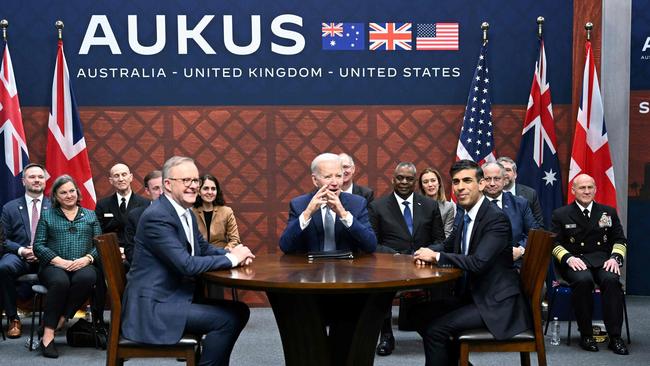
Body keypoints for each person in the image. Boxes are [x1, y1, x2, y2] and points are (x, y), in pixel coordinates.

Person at [122, 156, 255, 366]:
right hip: (153, 307)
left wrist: (234, 254)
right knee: (228, 319)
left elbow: (201, 248)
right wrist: (231, 259)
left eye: (196, 181)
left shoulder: (185, 212)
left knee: (239, 310)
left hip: (173, 296)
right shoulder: (157, 217)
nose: (193, 186)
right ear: (168, 184)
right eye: (186, 181)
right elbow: (187, 264)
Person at [412, 160, 531, 366]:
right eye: (456, 182)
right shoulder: (465, 215)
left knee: (435, 331)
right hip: (474, 295)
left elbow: (478, 263)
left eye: (467, 180)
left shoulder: (496, 219)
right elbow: (449, 245)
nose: (460, 187)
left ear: (482, 184)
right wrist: (428, 251)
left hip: (496, 303)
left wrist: (437, 258)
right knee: (415, 313)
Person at [369, 162, 445, 356]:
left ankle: (436, 333)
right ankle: (386, 336)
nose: (404, 182)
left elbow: (440, 240)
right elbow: (372, 244)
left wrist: (427, 252)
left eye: (409, 178)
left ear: (414, 181)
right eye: (400, 178)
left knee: (443, 283)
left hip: (424, 263)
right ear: (393, 179)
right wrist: (395, 256)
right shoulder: (377, 207)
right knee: (380, 289)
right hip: (391, 265)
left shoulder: (429, 205)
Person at [551, 174, 628, 355]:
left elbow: (619, 239)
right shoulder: (560, 214)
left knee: (611, 280)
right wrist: (568, 258)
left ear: (595, 189)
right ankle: (586, 334)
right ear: (573, 190)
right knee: (583, 281)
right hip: (575, 261)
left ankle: (615, 337)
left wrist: (615, 258)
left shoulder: (608, 212)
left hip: (603, 260)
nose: (586, 191)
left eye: (590, 188)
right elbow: (554, 243)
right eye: (582, 188)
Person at [32, 175, 103, 358]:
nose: (69, 195)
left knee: (88, 278)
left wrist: (87, 258)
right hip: (54, 265)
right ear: (56, 196)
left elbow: (99, 244)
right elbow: (38, 245)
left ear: (77, 192)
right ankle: (48, 335)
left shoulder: (90, 214)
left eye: (72, 191)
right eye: (63, 192)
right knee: (60, 282)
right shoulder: (48, 215)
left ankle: (60, 319)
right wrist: (58, 261)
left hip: (83, 264)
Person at [279, 153, 377, 254]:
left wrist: (344, 215)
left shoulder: (357, 203)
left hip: (346, 267)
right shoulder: (299, 204)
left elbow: (370, 246)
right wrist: (307, 213)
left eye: (339, 176)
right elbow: (286, 246)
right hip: (311, 267)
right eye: (328, 177)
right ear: (315, 180)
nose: (334, 182)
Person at [0, 163, 51, 338]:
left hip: (47, 257)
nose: (36, 180)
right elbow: (3, 240)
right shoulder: (10, 207)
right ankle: (13, 318)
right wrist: (22, 250)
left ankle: (51, 321)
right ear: (23, 181)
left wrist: (41, 251)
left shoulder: (56, 206)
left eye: (40, 177)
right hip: (19, 256)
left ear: (45, 181)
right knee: (3, 267)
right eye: (32, 177)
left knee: (61, 271)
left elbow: (61, 237)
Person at [482, 162, 539, 265]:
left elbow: (534, 232)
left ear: (504, 181)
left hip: (515, 264)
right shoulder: (472, 204)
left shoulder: (520, 203)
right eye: (487, 179)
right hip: (482, 264)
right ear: (481, 182)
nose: (492, 183)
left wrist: (521, 250)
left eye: (497, 179)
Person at [95, 163, 150, 261]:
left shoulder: (145, 204)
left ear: (131, 177)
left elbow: (147, 233)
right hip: (111, 253)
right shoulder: (102, 205)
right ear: (111, 181)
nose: (121, 179)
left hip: (137, 254)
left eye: (124, 175)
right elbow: (99, 233)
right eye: (116, 176)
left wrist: (128, 252)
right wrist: (116, 250)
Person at [123, 170, 163, 264]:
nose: (161, 192)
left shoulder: (181, 213)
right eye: (156, 188)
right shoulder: (135, 215)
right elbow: (130, 250)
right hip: (146, 269)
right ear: (147, 191)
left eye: (164, 188)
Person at [192, 174, 241, 250]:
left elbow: (235, 239)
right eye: (206, 188)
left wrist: (226, 251)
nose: (210, 192)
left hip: (221, 256)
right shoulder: (191, 212)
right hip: (199, 257)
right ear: (199, 191)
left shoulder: (227, 212)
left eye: (213, 189)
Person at [497, 156, 544, 227]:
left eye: (508, 170)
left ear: (515, 174)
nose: (504, 173)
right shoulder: (487, 193)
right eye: (501, 170)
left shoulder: (530, 194)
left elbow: (538, 226)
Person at [418, 167, 456, 238]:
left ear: (439, 183)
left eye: (433, 180)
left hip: (439, 247)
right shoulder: (415, 205)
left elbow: (447, 235)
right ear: (422, 186)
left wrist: (433, 249)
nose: (430, 184)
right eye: (425, 182)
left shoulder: (448, 207)